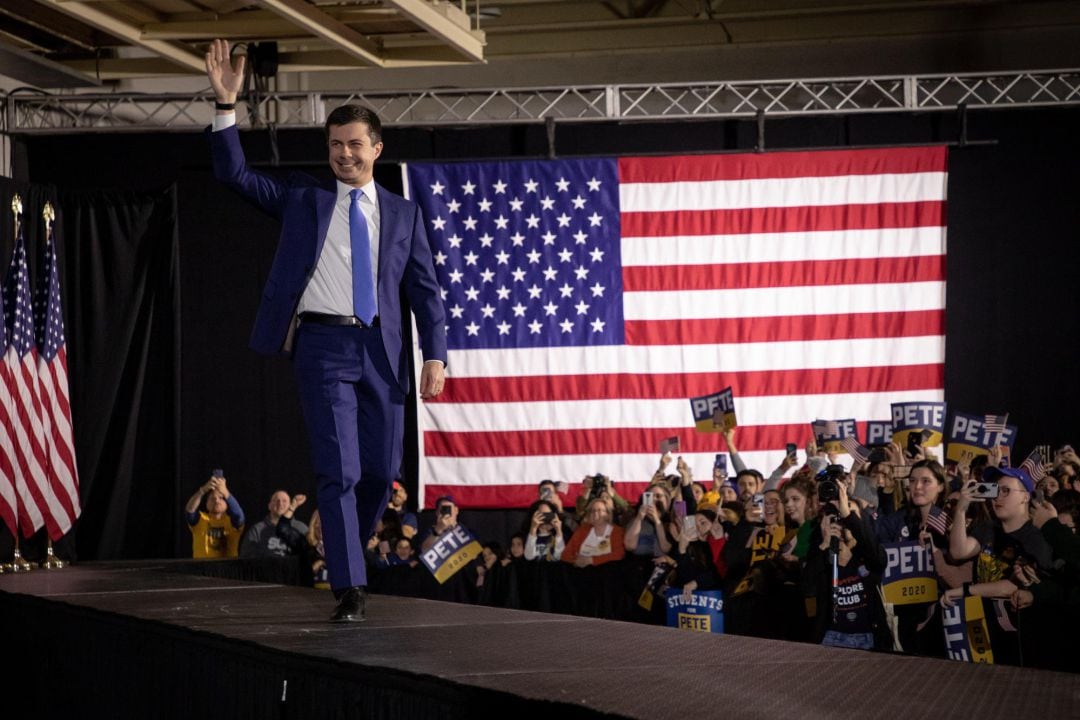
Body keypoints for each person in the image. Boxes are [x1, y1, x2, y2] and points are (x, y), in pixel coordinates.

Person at [204, 39, 447, 623]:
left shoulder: (405, 214)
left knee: (380, 474)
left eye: (354, 144)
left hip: (384, 353)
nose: (344, 154)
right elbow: (233, 173)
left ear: (376, 148)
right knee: (337, 471)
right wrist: (225, 106)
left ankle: (344, 550)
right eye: (335, 144)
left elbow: (424, 291)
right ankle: (349, 586)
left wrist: (434, 356)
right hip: (323, 346)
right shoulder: (302, 199)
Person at [184, 474, 245, 559]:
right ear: (206, 504)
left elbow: (239, 516)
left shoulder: (231, 522)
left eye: (221, 497)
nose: (216, 500)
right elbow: (190, 511)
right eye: (212, 498)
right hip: (201, 570)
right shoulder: (201, 519)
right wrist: (202, 490)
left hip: (227, 570)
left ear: (227, 503)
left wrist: (226, 492)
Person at [239, 490, 308, 558]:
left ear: (290, 505)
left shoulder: (300, 528)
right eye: (276, 500)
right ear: (269, 506)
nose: (280, 503)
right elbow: (246, 557)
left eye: (284, 501)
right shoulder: (257, 530)